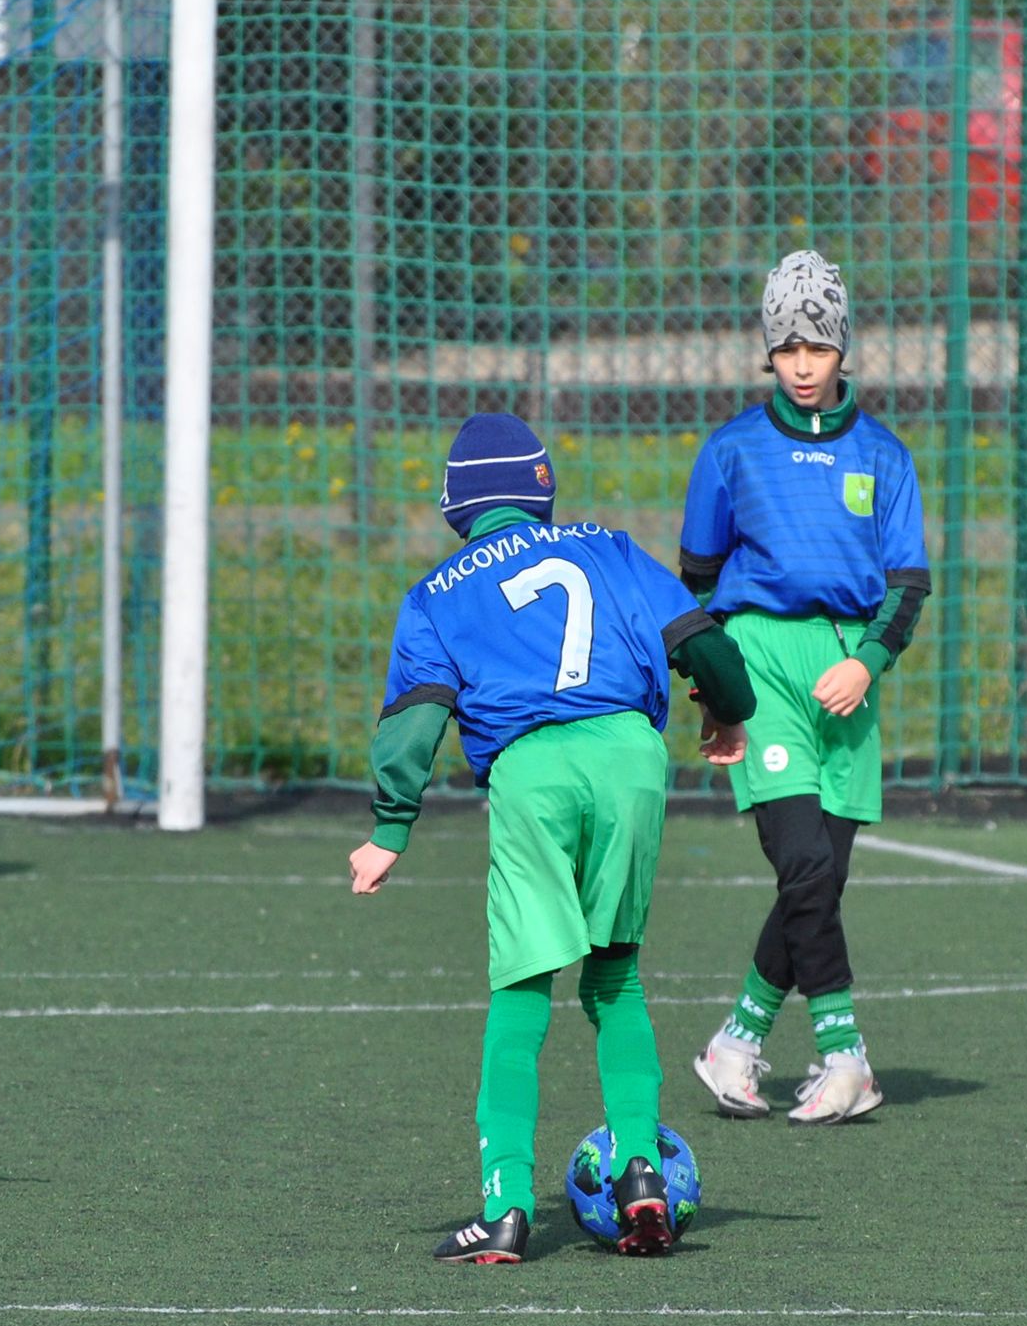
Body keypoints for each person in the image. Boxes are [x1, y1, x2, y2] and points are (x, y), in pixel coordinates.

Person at [346, 412, 755, 1263]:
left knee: (523, 991)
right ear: (542, 487)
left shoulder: (435, 593)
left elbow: (412, 727)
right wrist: (725, 713)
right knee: (616, 978)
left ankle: (503, 1206)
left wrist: (391, 828)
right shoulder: (609, 546)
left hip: (532, 772)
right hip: (633, 761)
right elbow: (705, 646)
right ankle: (641, 1172)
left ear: (456, 504)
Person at [680, 249, 930, 1125]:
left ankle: (737, 1046)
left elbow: (907, 585)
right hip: (763, 667)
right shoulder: (731, 451)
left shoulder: (885, 456)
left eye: (817, 347)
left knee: (818, 883)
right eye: (786, 346)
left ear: (842, 350)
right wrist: (717, 699)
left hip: (847, 678)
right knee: (806, 863)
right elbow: (698, 589)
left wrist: (867, 662)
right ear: (769, 351)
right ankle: (844, 1053)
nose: (801, 362)